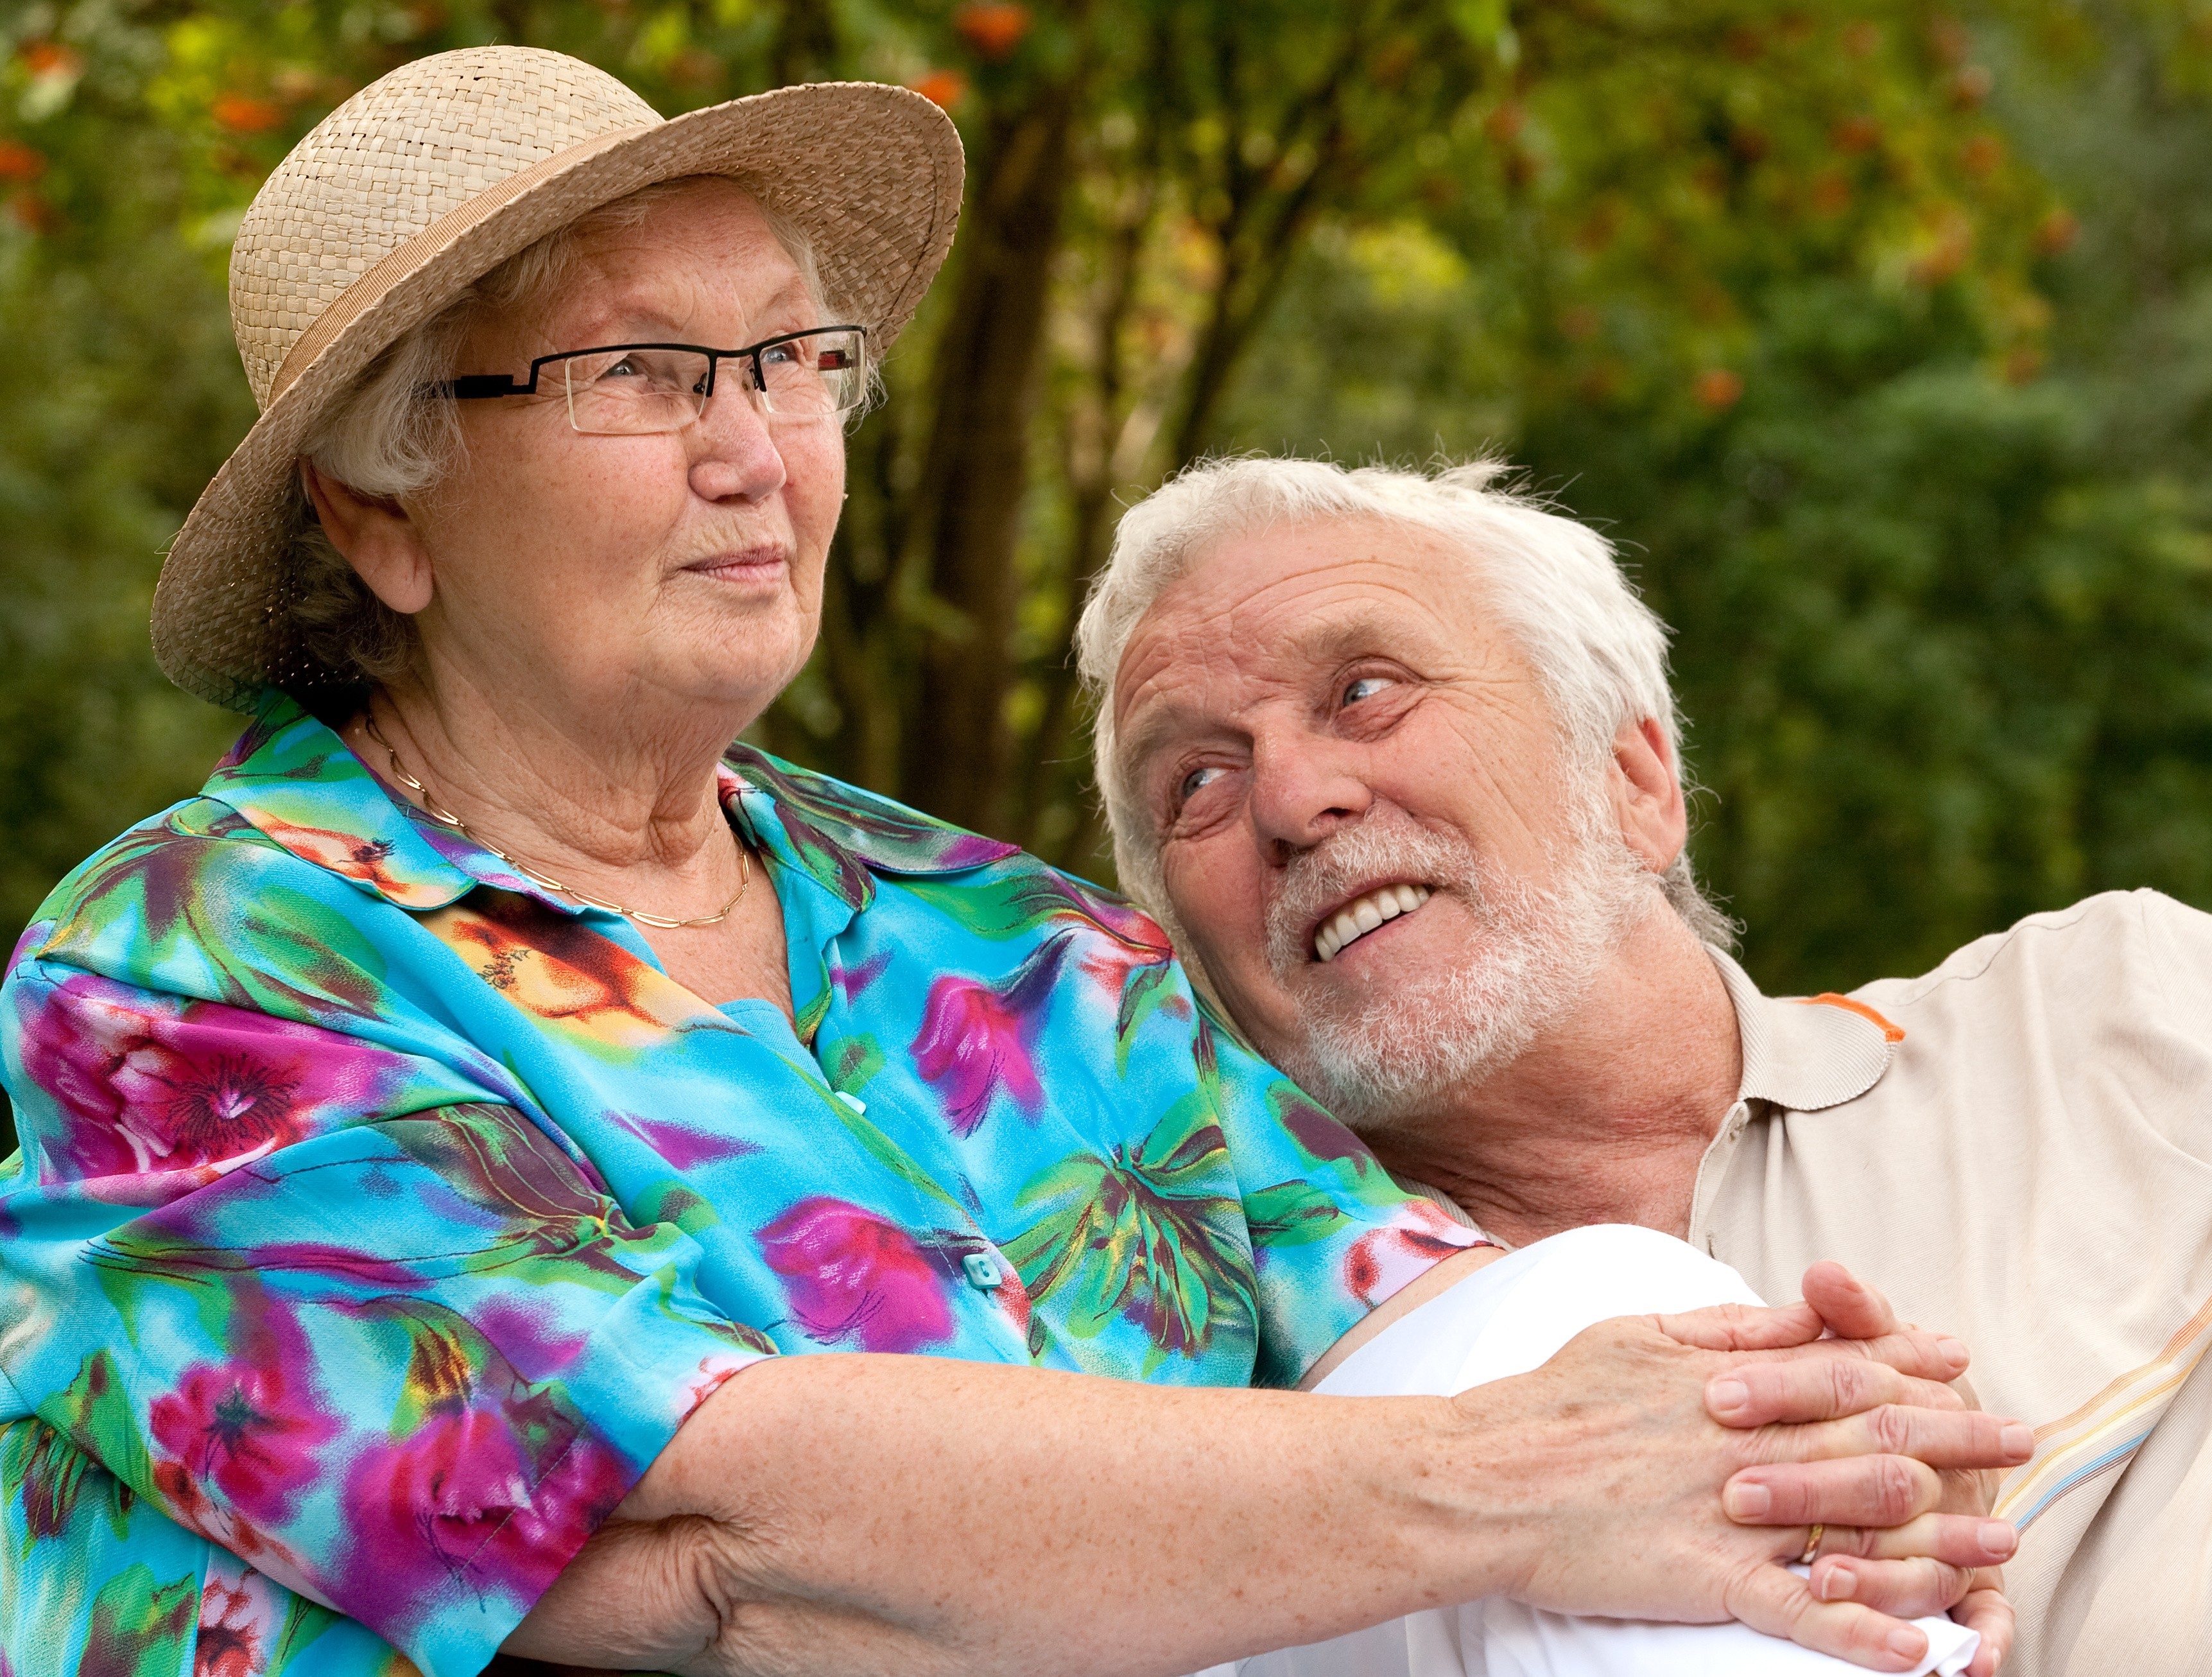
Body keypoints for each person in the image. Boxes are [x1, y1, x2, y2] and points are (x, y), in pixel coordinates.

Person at [0, 51, 2033, 1677]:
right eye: (638, 373)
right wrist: (1503, 1489)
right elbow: (730, 1546)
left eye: (798, 361)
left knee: (1612, 1315)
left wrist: (1814, 1485)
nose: (757, 449)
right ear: (383, 514)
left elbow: (1454, 1326)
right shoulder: (193, 972)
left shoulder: (1009, 940)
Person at [1077, 455, 2212, 1676]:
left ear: (1634, 780)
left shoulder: (2115, 1008)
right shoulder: (1272, 1432)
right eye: (1191, 782)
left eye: (1365, 690)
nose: (1287, 799)